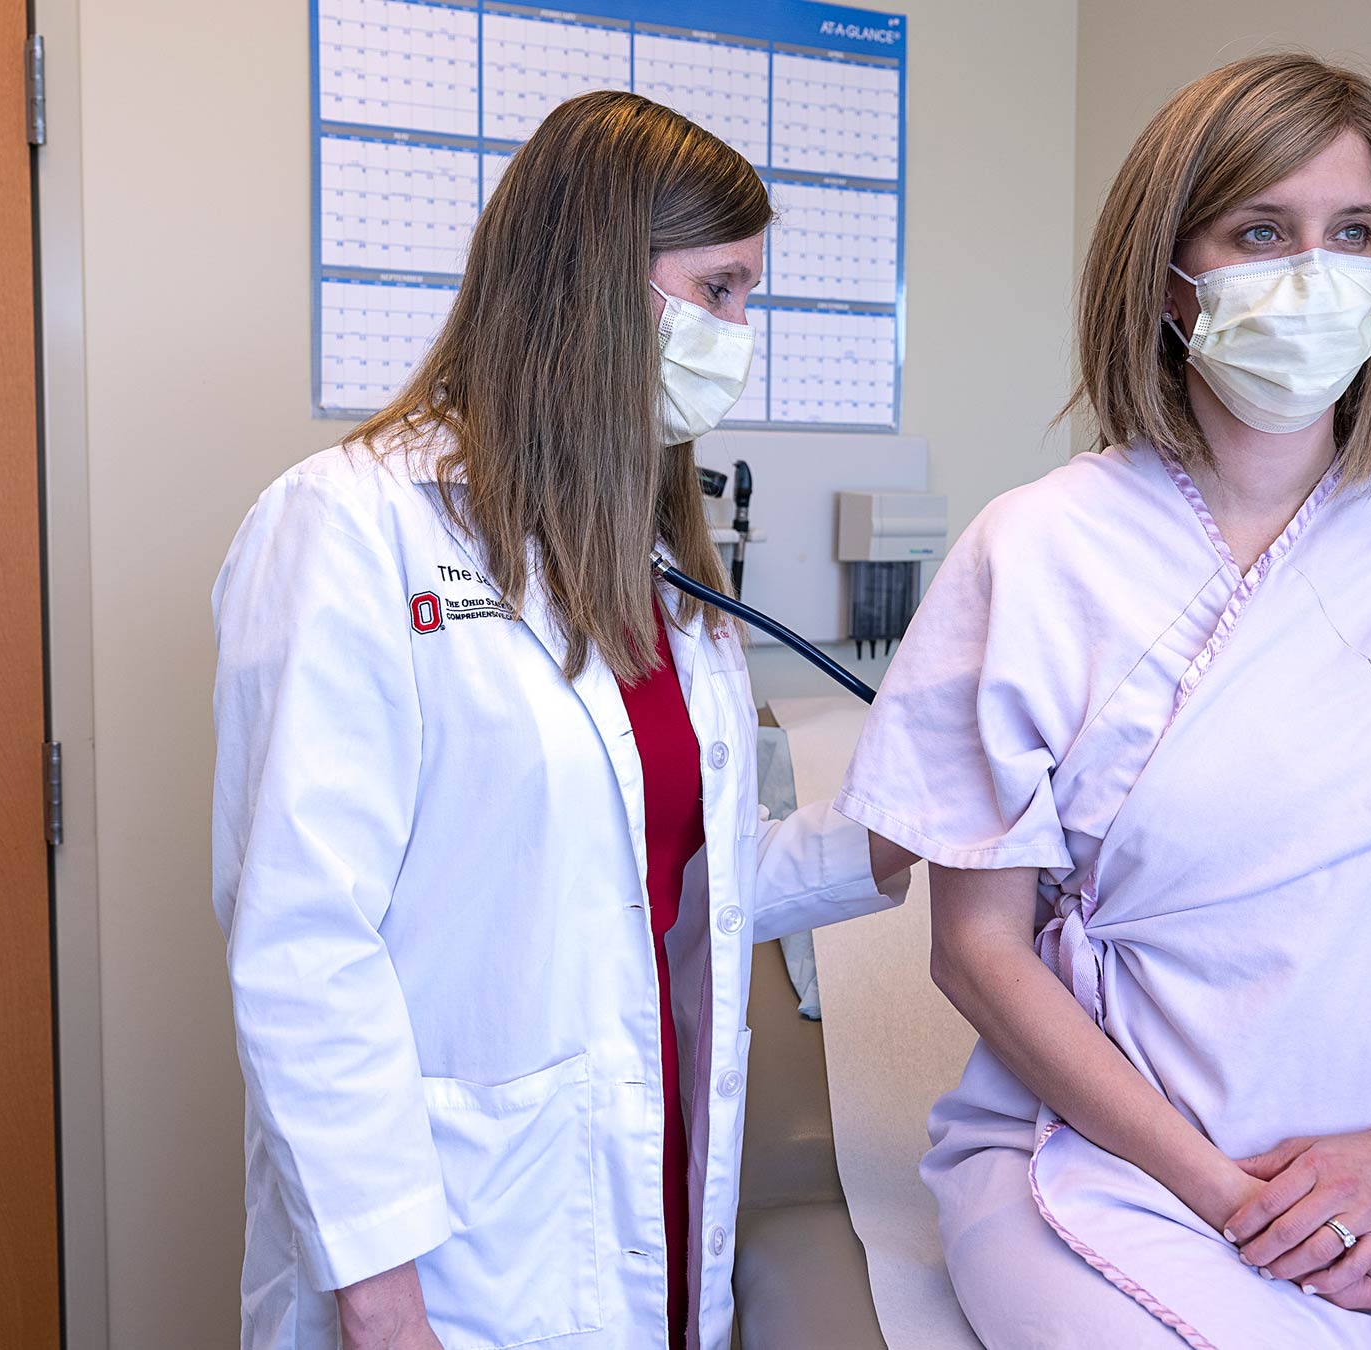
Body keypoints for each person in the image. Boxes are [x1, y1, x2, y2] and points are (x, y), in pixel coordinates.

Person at [836, 56, 1371, 1346]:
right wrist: (1236, 1202)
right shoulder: (1039, 549)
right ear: (1170, 275)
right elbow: (977, 947)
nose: (1316, 272)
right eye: (1262, 232)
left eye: (1355, 235)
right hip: (1118, 1167)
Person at [213, 91, 912, 1350]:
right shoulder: (351, 528)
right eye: (721, 291)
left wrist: (893, 839)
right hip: (450, 1241)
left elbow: (687, 872)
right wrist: (381, 1306)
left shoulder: (657, 565)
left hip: (646, 1171)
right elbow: (303, 946)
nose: (736, 334)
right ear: (596, 282)